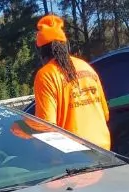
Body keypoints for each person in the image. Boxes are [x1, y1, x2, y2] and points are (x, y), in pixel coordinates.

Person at [33, 14, 111, 151]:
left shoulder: (45, 75)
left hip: (74, 156)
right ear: (65, 46)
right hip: (104, 150)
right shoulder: (87, 67)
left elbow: (46, 128)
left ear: (41, 52)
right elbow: (105, 114)